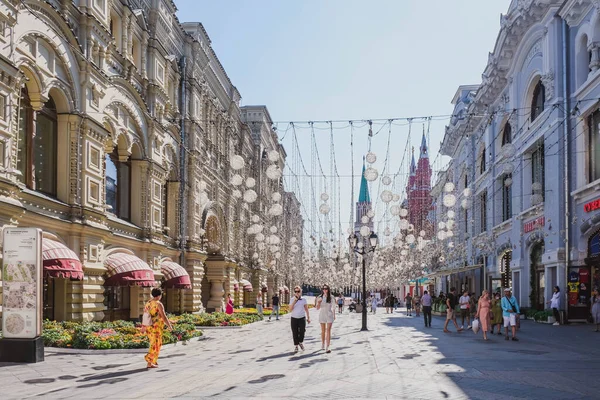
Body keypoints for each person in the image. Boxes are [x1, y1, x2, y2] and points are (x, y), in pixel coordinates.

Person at [143, 288, 173, 369]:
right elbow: (163, 316)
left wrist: (144, 327)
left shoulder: (148, 303)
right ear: (159, 295)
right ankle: (149, 361)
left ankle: (152, 361)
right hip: (156, 327)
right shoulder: (158, 304)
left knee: (153, 344)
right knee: (156, 344)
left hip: (149, 326)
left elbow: (146, 315)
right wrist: (169, 326)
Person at [290, 286, 310, 352]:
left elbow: (306, 309)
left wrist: (308, 317)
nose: (297, 293)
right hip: (294, 318)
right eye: (295, 291)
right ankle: (296, 346)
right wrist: (294, 301)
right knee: (294, 332)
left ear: (301, 292)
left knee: (302, 331)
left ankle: (300, 342)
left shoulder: (304, 300)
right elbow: (290, 309)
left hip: (302, 317)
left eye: (298, 291)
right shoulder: (292, 299)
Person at [317, 284, 336, 353]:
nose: (325, 290)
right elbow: (317, 308)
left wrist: (334, 315)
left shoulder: (331, 297)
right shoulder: (320, 297)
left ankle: (327, 346)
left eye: (326, 289)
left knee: (328, 330)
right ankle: (322, 343)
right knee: (323, 331)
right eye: (323, 289)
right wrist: (319, 302)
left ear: (328, 290)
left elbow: (334, 307)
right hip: (322, 315)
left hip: (329, 315)